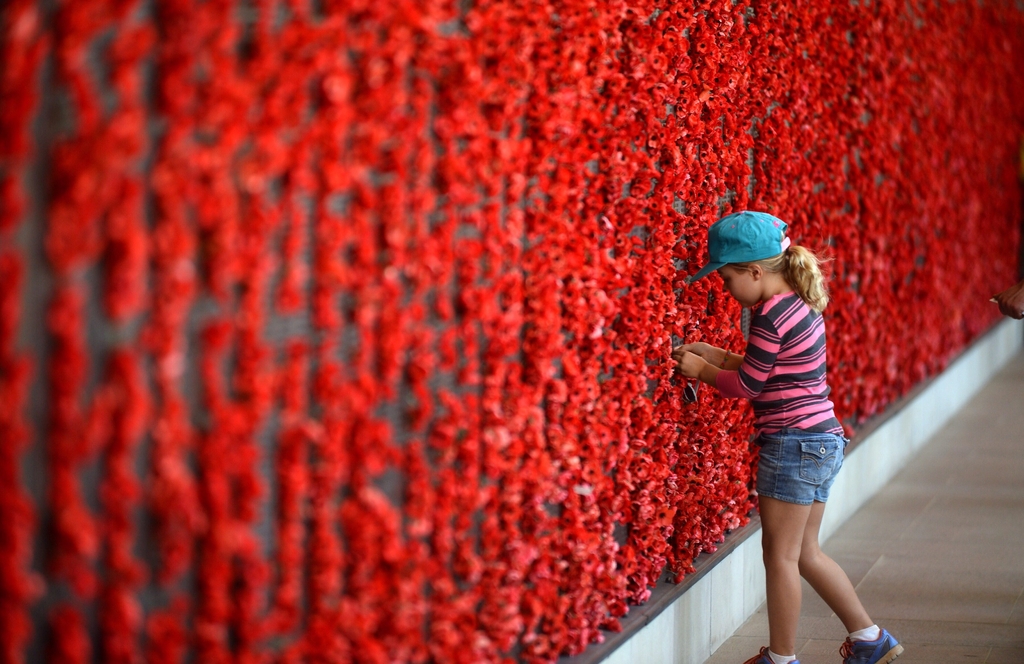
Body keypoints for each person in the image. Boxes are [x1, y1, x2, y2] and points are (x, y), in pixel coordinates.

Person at [672, 211, 903, 664]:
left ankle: (781, 659)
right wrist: (716, 354)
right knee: (806, 552)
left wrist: (702, 370)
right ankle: (869, 638)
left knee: (779, 557)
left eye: (727, 278)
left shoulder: (767, 316)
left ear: (755, 272)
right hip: (822, 438)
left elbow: (750, 386)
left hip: (792, 444)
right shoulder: (797, 303)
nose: (725, 288)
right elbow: (771, 369)